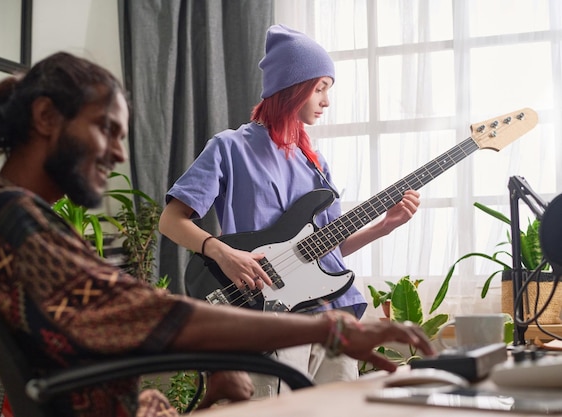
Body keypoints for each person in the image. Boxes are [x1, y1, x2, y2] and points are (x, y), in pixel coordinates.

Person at [0, 51, 432, 417]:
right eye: (107, 129)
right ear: (45, 118)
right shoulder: (8, 215)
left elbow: (117, 316)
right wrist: (329, 329)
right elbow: (140, 311)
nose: (121, 155)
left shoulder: (9, 211)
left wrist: (216, 372)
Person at [158, 24, 422, 396]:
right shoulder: (229, 148)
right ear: (291, 87)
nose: (326, 101)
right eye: (320, 88)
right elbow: (171, 221)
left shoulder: (315, 163)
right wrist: (224, 253)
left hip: (331, 314)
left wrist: (385, 226)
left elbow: (329, 252)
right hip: (273, 313)